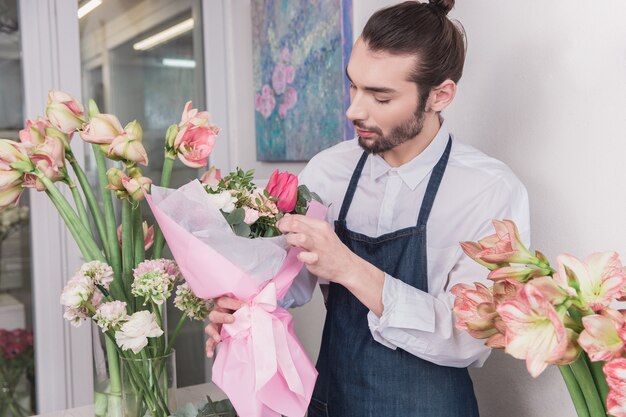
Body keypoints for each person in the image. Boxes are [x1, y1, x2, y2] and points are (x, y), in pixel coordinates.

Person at [206, 1, 530, 416]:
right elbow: (287, 284)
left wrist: (348, 267)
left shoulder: (489, 191)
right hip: (332, 401)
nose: (354, 110)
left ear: (440, 95)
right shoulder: (328, 171)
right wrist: (241, 309)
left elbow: (470, 338)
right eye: (353, 86)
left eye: (380, 96)